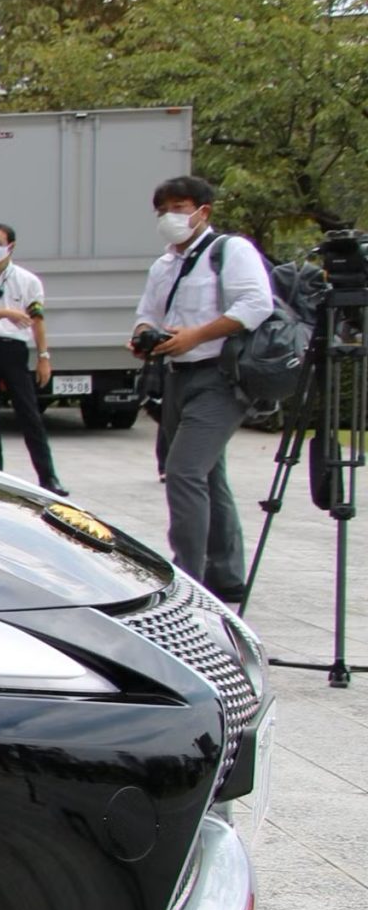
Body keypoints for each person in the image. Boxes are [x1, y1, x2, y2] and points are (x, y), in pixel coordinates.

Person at [132, 175, 274, 598]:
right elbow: (148, 313)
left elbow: (255, 304)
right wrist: (144, 335)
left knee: (183, 471)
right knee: (209, 475)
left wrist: (197, 335)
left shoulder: (229, 251)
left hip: (221, 376)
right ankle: (227, 576)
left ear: (203, 211)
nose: (169, 218)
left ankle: (187, 577)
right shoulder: (164, 264)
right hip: (178, 375)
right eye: (163, 211)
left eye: (178, 208)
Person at [0, 222, 67, 495]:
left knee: (29, 413)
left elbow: (37, 320)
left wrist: (44, 355)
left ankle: (48, 478)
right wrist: (4, 313)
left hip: (14, 350)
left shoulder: (28, 281)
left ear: (11, 246)